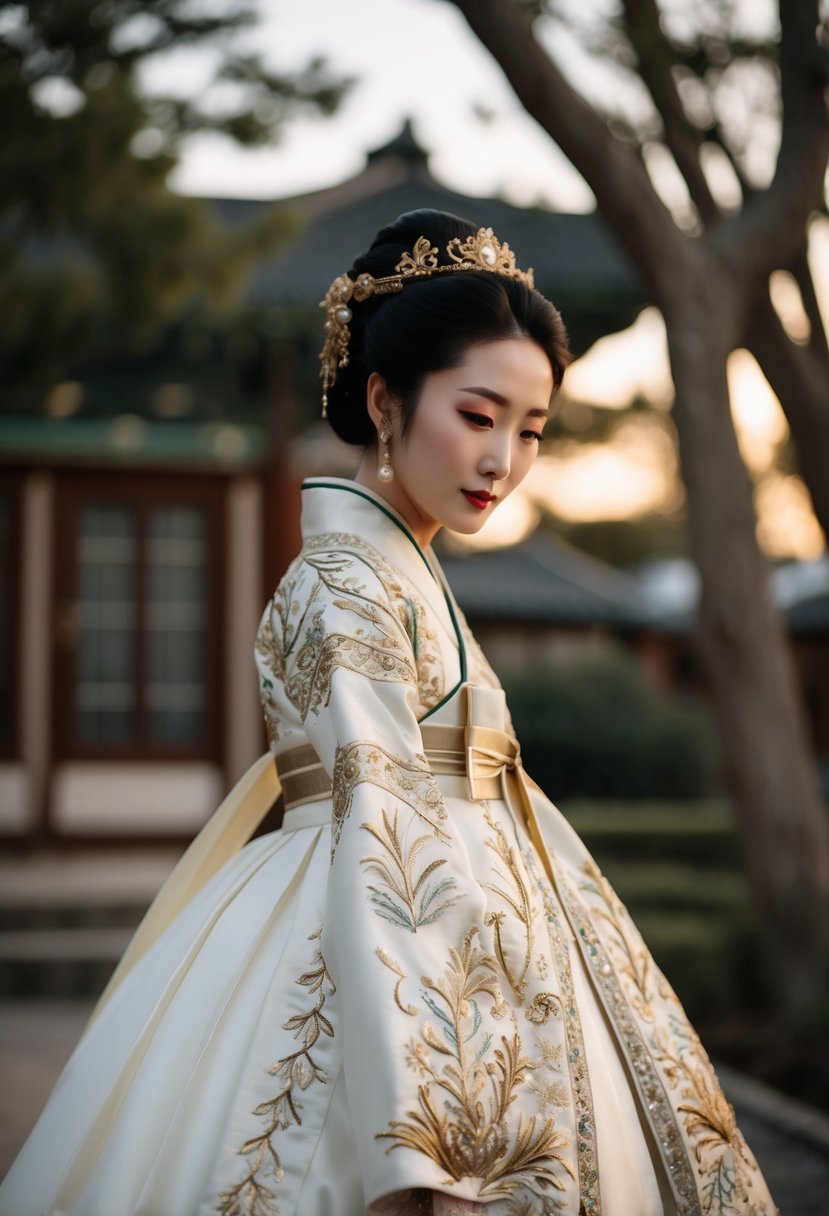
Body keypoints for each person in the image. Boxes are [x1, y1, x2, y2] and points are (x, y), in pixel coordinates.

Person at [0, 209, 776, 1216]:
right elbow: (387, 842)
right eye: (477, 414)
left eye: (531, 429)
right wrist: (431, 1146)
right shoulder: (348, 584)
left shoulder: (403, 571)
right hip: (379, 944)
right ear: (385, 399)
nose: (503, 458)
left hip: (483, 937)